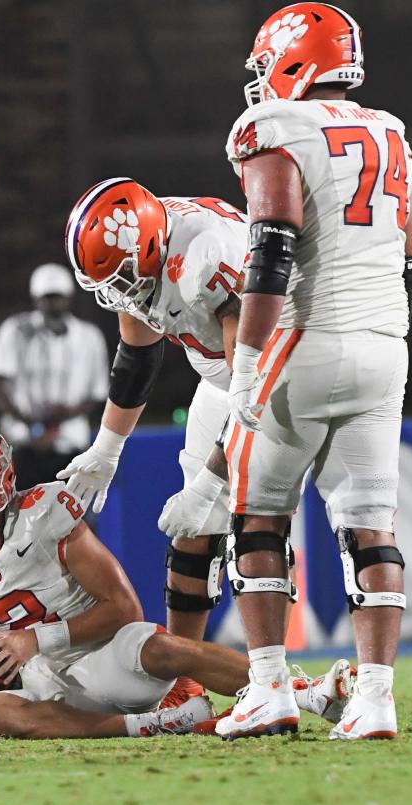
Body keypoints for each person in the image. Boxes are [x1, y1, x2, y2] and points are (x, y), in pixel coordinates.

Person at [186, 2, 412, 741]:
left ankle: (268, 688)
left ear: (293, 59)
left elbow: (273, 248)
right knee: (370, 526)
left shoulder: (273, 129)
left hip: (306, 339)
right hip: (386, 340)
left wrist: (248, 362)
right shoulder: (390, 130)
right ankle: (376, 696)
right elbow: (408, 235)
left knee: (257, 516)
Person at [0, 420, 350, 739]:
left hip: (107, 659)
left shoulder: (47, 513)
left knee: (160, 645)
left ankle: (310, 694)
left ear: (4, 475)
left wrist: (36, 640)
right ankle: (156, 725)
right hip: (47, 686)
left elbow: (124, 610)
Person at [56, 180, 248, 694]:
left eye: (122, 275)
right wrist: (106, 450)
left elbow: (255, 387)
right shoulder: (143, 247)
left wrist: (208, 484)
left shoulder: (207, 257)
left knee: (254, 526)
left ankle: (276, 682)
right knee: (195, 535)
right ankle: (185, 684)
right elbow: (138, 355)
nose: (118, 292)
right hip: (223, 378)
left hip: (280, 370)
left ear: (147, 247)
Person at [0, 263, 110, 490]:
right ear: (36, 298)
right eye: (46, 298)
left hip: (70, 442)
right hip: (22, 441)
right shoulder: (16, 330)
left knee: (72, 516)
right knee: (19, 513)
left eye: (57, 297)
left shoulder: (89, 337)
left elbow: (99, 393)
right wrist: (27, 421)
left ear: (69, 297)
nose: (52, 304)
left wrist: (65, 414)